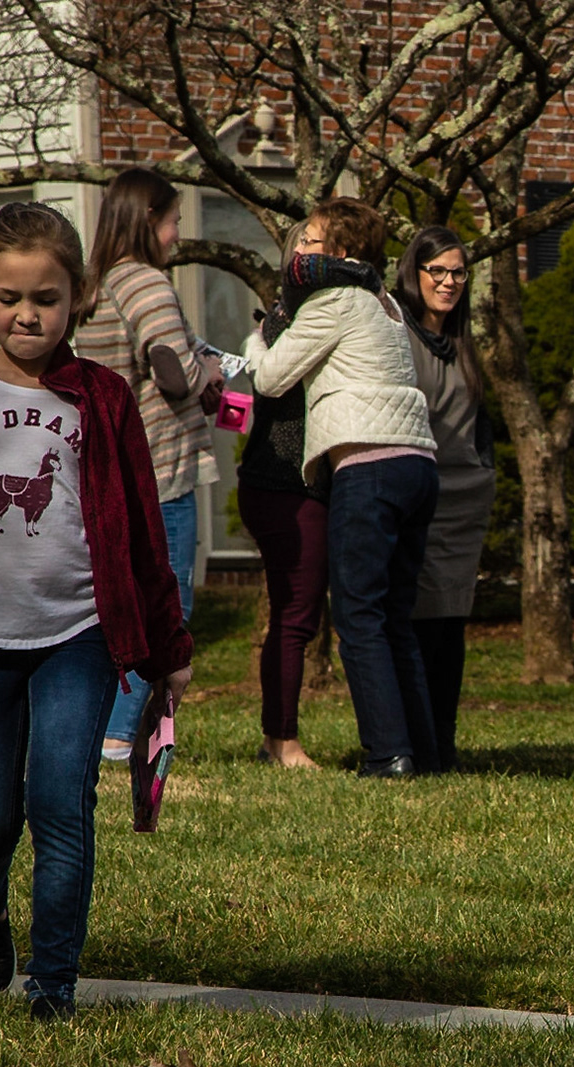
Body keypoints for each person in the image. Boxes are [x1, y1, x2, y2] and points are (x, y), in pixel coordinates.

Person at [0, 202, 193, 1021]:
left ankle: (53, 987)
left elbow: (139, 522)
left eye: (47, 298)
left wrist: (169, 644)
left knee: (61, 802)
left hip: (79, 635)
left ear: (79, 297)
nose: (27, 314)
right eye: (7, 296)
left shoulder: (103, 397)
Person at [246, 198, 439, 778]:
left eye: (312, 240)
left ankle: (388, 755)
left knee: (358, 617)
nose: (300, 250)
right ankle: (422, 752)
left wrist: (260, 338)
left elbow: (273, 377)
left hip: (368, 467)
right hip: (418, 466)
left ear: (344, 252)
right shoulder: (387, 304)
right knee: (395, 617)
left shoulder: (337, 298)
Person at [76, 168, 222, 760]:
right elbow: (170, 371)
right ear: (148, 221)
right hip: (161, 464)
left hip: (112, 465)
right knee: (167, 605)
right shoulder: (148, 284)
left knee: (119, 599)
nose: (177, 234)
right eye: (173, 221)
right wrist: (207, 372)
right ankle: (119, 734)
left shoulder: (95, 284)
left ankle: (107, 730)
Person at [393, 227, 495, 772]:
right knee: (411, 622)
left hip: (464, 500)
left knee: (448, 625)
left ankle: (444, 746)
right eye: (439, 271)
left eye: (458, 272)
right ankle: (414, 744)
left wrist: (485, 472)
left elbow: (479, 421)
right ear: (417, 273)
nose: (449, 282)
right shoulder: (397, 334)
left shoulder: (463, 341)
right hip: (415, 492)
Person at [239, 221, 328, 769]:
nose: (315, 251)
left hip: (306, 482)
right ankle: (282, 741)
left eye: (326, 242)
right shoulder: (289, 314)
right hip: (283, 483)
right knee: (295, 614)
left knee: (300, 612)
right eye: (306, 241)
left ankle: (279, 736)